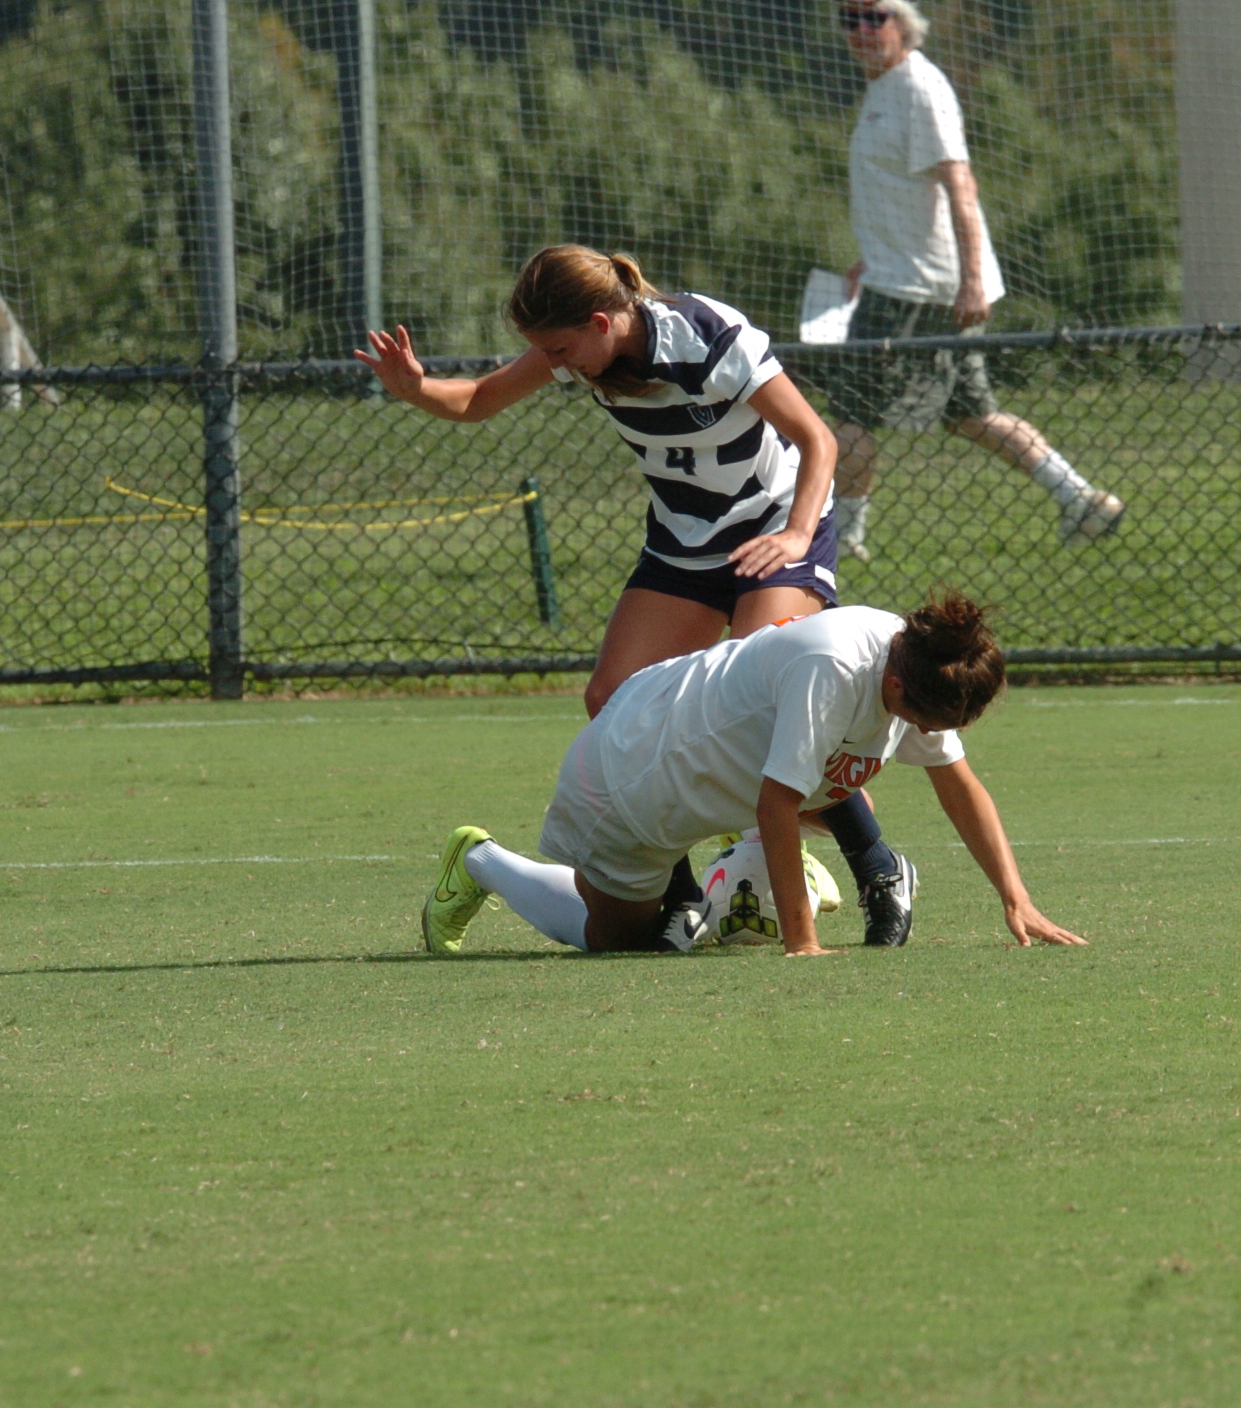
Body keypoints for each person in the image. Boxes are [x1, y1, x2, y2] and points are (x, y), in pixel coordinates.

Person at [357, 246, 918, 943]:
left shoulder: (707, 335)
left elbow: (817, 439)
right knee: (612, 701)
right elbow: (477, 399)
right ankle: (681, 894)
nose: (554, 363)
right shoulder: (579, 352)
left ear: (600, 322)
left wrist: (799, 534)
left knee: (756, 701)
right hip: (683, 546)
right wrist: (415, 388)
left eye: (559, 349)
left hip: (775, 530)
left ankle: (878, 867)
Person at [421, 594, 1085, 958]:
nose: (932, 735)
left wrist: (1015, 896)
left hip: (699, 765)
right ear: (894, 684)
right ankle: (480, 861)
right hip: (634, 773)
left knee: (839, 782)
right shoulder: (833, 670)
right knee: (619, 940)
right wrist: (804, 944)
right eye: (926, 721)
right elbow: (775, 806)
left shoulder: (918, 662)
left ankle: (792, 878)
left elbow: (960, 785)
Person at [824, 0, 1125, 563]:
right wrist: (871, 258)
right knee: (972, 415)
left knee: (851, 415)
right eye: (850, 18)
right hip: (909, 279)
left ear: (904, 25)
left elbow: (961, 185)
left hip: (913, 292)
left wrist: (972, 283)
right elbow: (906, 194)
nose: (861, 29)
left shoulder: (919, 89)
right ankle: (1080, 498)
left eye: (875, 16)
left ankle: (842, 540)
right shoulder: (885, 88)